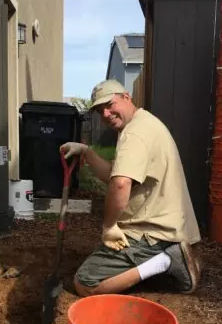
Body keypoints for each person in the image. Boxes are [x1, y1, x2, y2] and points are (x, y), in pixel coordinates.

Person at [60, 79, 202, 297]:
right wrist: (86, 151)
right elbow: (114, 175)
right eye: (100, 111)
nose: (105, 114)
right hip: (164, 224)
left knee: (85, 283)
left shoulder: (135, 133)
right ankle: (165, 258)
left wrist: (109, 226)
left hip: (151, 232)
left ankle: (165, 261)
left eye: (109, 105)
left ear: (126, 97)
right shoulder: (144, 123)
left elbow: (120, 183)